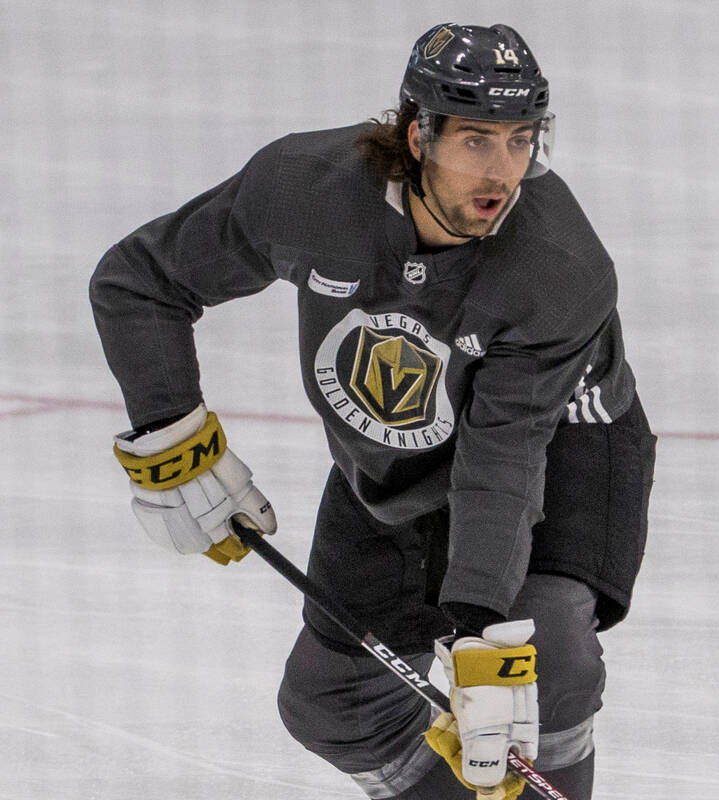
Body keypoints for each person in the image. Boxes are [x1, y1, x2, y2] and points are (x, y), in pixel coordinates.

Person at [90, 22, 656, 800]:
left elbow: (503, 459)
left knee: (541, 658)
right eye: (478, 142)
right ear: (418, 133)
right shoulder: (305, 191)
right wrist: (173, 432)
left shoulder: (556, 268)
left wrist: (478, 631)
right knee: (334, 702)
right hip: (399, 452)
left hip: (562, 441)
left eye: (522, 141)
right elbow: (140, 282)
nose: (503, 172)